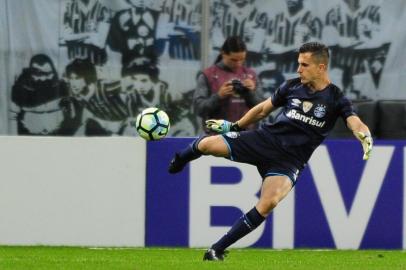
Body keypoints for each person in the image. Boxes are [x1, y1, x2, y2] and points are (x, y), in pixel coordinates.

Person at [168, 42, 373, 261]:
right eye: (298, 64)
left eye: (304, 65)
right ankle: (180, 158)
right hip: (264, 140)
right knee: (207, 144)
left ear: (321, 68)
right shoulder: (292, 86)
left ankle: (216, 250)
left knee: (269, 202)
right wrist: (234, 126)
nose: (298, 69)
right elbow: (262, 109)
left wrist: (364, 134)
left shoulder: (336, 98)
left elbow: (355, 122)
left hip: (289, 161)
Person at [193, 36, 263, 133]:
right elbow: (198, 109)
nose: (238, 63)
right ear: (223, 54)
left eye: (242, 59)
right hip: (217, 136)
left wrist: (250, 93)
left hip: (247, 136)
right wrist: (218, 96)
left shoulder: (251, 75)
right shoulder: (208, 75)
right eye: (233, 60)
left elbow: (262, 109)